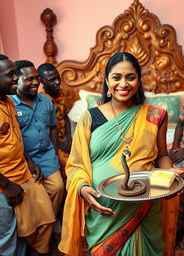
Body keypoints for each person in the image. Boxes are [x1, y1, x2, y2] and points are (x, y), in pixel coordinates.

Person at [59, 52, 174, 256]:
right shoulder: (90, 117)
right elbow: (76, 164)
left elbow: (162, 156)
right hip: (103, 208)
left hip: (144, 205)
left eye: (130, 77)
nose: (124, 83)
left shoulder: (155, 116)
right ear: (107, 81)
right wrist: (83, 188)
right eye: (116, 77)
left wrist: (170, 178)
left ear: (139, 80)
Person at [0, 53, 55, 256]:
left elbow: (16, 137)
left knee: (46, 216)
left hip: (23, 174)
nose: (15, 78)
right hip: (0, 185)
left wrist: (30, 162)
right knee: (6, 241)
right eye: (10, 74)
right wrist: (6, 184)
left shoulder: (8, 102)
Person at [10, 60, 64, 218]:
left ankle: (49, 225)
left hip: (47, 155)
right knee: (35, 199)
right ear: (16, 80)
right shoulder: (10, 105)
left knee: (58, 187)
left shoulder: (46, 100)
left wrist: (54, 152)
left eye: (37, 78)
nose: (36, 82)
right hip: (24, 160)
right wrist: (28, 162)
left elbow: (53, 127)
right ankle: (44, 232)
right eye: (29, 79)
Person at [38, 63, 72, 179]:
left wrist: (69, 136)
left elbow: (66, 116)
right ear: (42, 81)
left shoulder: (60, 92)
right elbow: (46, 130)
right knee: (69, 165)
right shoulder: (41, 100)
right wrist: (62, 146)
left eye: (58, 78)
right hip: (53, 142)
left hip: (65, 138)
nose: (57, 82)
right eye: (52, 80)